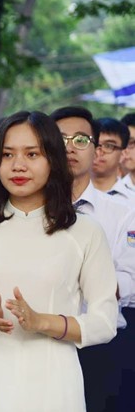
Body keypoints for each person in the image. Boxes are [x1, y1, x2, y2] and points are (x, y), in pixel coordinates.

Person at [0, 111, 118, 411]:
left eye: (32, 154)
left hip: (55, 381)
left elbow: (105, 322)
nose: (18, 165)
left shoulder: (84, 231)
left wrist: (42, 322)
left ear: (53, 158)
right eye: (8, 154)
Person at [51, 106, 135, 410]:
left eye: (82, 140)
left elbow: (130, 278)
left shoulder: (123, 214)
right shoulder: (28, 212)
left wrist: (92, 278)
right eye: (60, 139)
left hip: (101, 343)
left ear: (95, 148)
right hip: (43, 341)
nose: (70, 147)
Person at [91, 118, 134, 203]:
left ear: (123, 153)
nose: (98, 151)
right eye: (95, 144)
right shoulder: (66, 193)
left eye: (108, 146)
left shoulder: (132, 202)